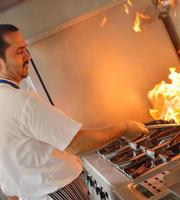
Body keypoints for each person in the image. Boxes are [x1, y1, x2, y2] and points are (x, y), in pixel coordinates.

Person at [0, 24, 149, 200]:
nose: (28, 56)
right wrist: (124, 128)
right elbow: (77, 144)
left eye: (26, 49)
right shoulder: (22, 102)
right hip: (59, 194)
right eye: (19, 51)